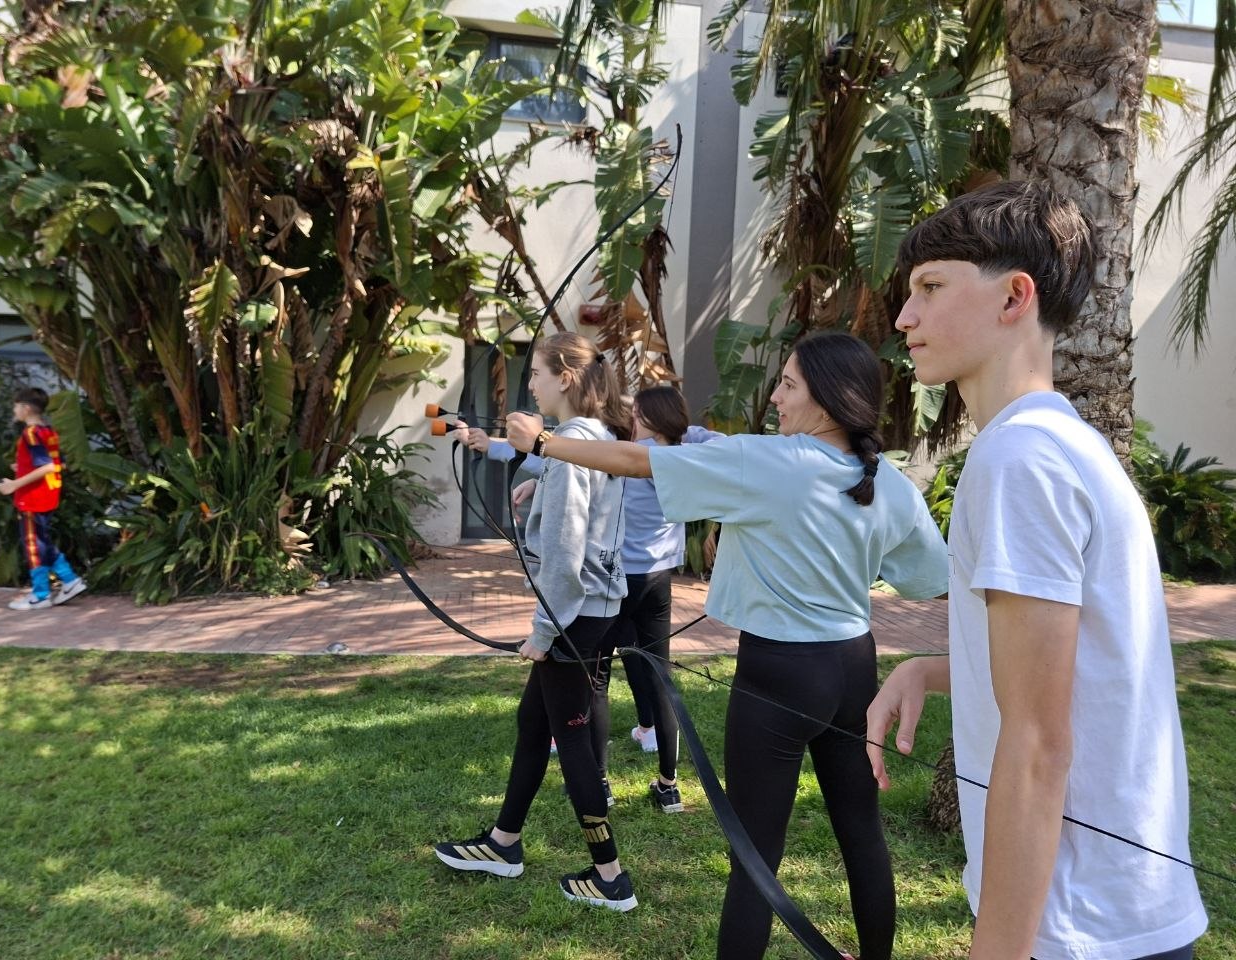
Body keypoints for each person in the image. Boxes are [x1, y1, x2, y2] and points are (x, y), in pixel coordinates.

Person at [506, 332, 949, 960]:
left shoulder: (769, 460)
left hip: (780, 671)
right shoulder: (888, 480)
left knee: (755, 858)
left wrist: (544, 444)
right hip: (854, 665)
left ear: (827, 400)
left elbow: (639, 461)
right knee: (862, 833)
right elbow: (929, 579)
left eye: (789, 385)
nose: (776, 397)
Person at [865, 180, 1208, 960]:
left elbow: (1038, 742)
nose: (904, 317)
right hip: (1117, 917)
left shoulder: (1020, 459)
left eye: (930, 287)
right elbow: (1078, 670)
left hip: (1079, 927)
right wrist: (932, 670)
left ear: (1015, 296)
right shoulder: (1063, 442)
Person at [434, 332, 637, 912]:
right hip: (591, 610)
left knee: (570, 738)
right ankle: (504, 843)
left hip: (573, 616)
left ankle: (611, 876)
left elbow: (567, 553)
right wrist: (537, 477)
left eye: (537, 375)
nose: (531, 386)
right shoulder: (592, 439)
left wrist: (544, 633)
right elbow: (584, 509)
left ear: (565, 378)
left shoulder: (572, 445)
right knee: (534, 722)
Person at [474, 386, 723, 814]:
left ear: (648, 418)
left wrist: (524, 465)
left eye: (637, 413)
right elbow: (709, 441)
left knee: (598, 681)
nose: (630, 418)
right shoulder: (679, 456)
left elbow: (576, 469)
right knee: (660, 677)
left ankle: (601, 780)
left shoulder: (629, 457)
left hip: (621, 579)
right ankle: (669, 785)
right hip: (660, 579)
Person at [0, 387, 87, 611]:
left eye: (16, 406)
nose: (14, 410)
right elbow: (58, 463)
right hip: (48, 494)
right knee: (41, 541)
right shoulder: (48, 430)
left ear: (26, 408)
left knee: (33, 545)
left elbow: (47, 466)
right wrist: (21, 467)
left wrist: (14, 484)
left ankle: (40, 594)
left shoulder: (31, 433)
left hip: (32, 498)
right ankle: (70, 580)